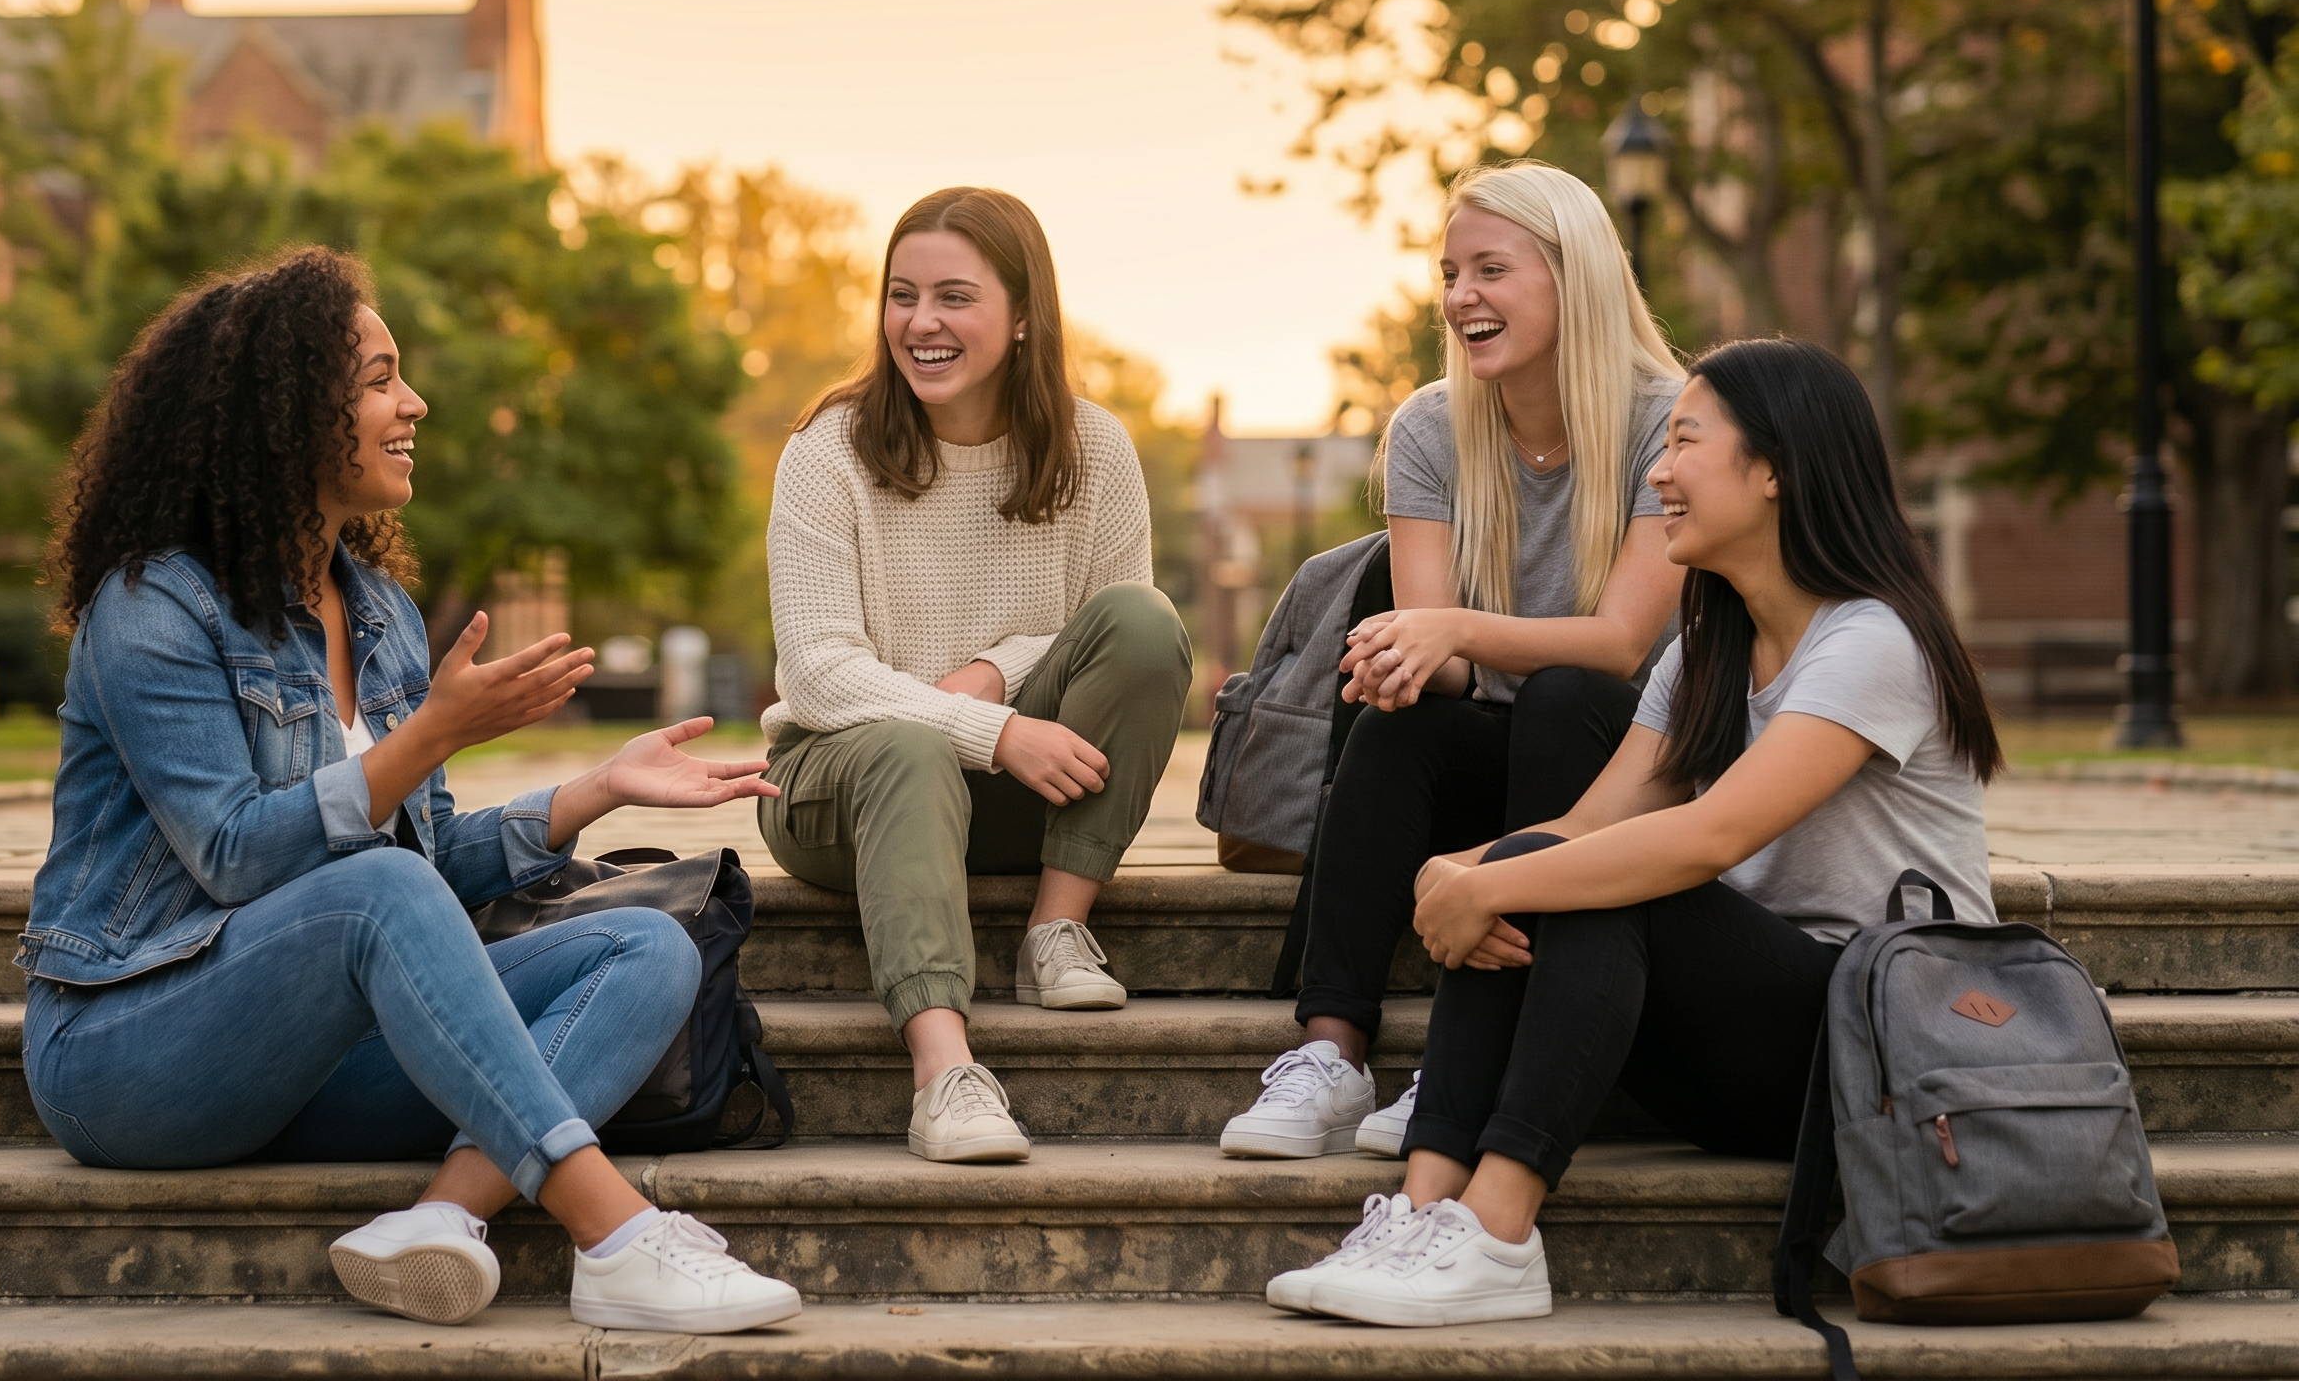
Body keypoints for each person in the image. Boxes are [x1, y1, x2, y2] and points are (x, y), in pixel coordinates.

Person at [21, 247, 802, 1335]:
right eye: (382, 378)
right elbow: (237, 855)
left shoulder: (379, 612)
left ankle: (437, 1220)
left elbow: (427, 875)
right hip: (133, 1054)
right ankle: (616, 1237)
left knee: (650, 947)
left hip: (311, 1062)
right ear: (287, 413)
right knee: (376, 890)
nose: (414, 402)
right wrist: (431, 732)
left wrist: (590, 794)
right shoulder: (155, 606)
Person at [1265, 337, 2003, 1327]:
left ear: (1776, 467)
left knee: (1588, 883)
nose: (1656, 471)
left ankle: (1496, 1231)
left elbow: (1704, 840)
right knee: (1547, 864)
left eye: (1685, 440)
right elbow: (1584, 824)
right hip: (1747, 1063)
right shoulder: (1705, 649)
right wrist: (1452, 874)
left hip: (1881, 1050)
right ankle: (1421, 1208)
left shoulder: (1872, 639)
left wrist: (1498, 880)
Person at [1220, 160, 1687, 1162]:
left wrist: (1456, 635)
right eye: (1449, 274)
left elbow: (1623, 645)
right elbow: (1440, 651)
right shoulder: (1430, 427)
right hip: (1498, 738)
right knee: (1398, 720)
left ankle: (1464, 1059)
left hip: (1629, 762)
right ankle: (1330, 1052)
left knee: (1568, 696)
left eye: (1490, 270)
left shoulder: (1668, 421)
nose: (1460, 296)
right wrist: (1399, 659)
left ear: (1575, 278)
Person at [755, 186, 1195, 1165]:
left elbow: (1105, 639)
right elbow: (821, 675)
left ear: (1024, 312)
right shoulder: (826, 452)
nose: (921, 323)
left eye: (954, 296)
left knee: (1143, 620)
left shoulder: (1095, 450)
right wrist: (989, 731)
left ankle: (1056, 931)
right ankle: (944, 1072)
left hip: (1007, 800)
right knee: (909, 747)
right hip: (833, 790)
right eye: (901, 295)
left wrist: (996, 673)